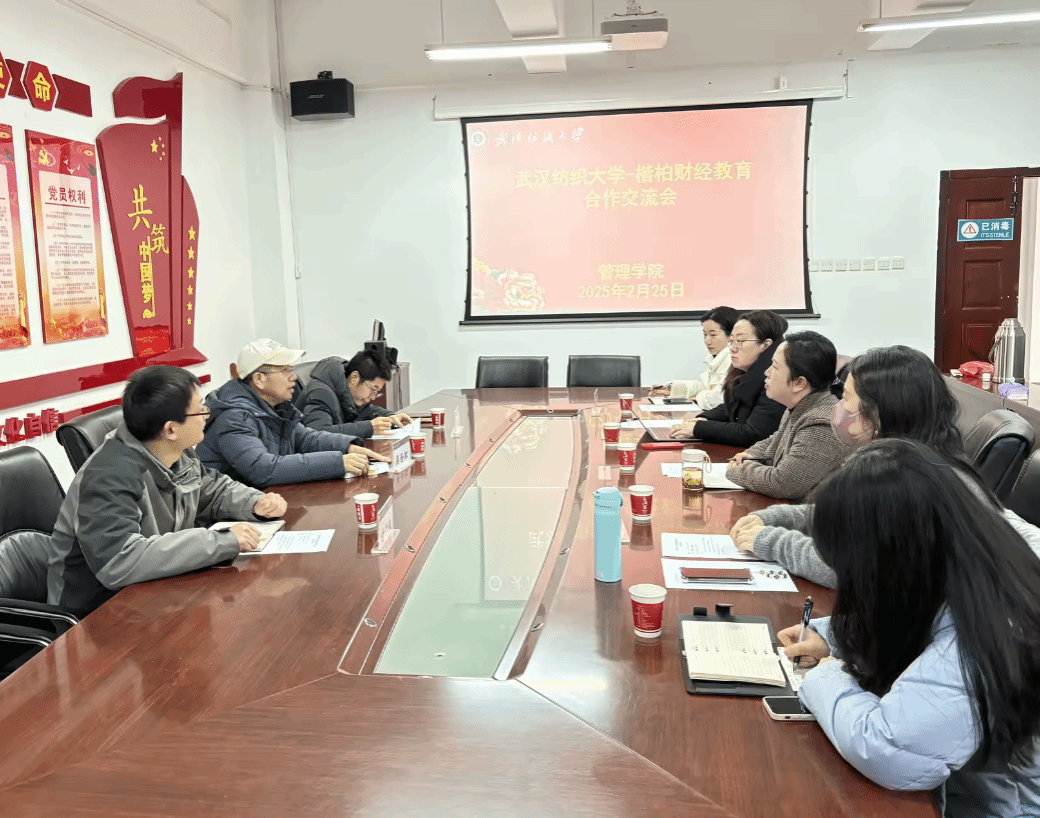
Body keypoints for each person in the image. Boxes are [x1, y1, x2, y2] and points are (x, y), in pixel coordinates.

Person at [777, 440, 1040, 816]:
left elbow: (887, 750)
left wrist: (826, 674)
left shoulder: (992, 628)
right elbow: (918, 616)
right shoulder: (971, 551)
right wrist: (835, 636)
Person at [730, 345, 1040, 584]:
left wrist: (772, 541)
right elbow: (843, 516)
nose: (838, 409)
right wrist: (776, 518)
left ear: (878, 413)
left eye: (846, 399)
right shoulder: (908, 456)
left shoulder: (910, 478)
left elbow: (854, 569)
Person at [45, 365, 287, 616]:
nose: (207, 414)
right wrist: (221, 541)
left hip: (156, 593)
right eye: (200, 409)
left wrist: (255, 502)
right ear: (171, 429)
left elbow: (209, 490)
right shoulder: (108, 475)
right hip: (97, 613)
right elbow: (118, 561)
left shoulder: (176, 451)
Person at [198, 339, 389, 488]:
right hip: (230, 515)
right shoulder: (233, 417)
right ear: (259, 379)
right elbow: (264, 469)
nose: (294, 376)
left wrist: (348, 447)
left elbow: (306, 438)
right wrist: (337, 462)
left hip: (265, 500)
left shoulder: (275, 406)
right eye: (285, 370)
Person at [726, 331, 850, 500]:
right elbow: (776, 440)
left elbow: (782, 484)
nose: (767, 372)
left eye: (775, 366)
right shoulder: (804, 403)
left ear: (799, 383)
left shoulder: (821, 422)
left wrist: (737, 469)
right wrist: (752, 454)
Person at [669, 310, 787, 447]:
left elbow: (753, 433)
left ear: (765, 345)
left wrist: (700, 429)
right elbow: (732, 406)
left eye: (740, 341)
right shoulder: (744, 371)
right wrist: (703, 419)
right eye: (731, 341)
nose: (732, 348)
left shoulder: (775, 379)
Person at [298, 350, 412, 438]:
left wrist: (390, 417)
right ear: (354, 378)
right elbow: (318, 433)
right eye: (373, 389)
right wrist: (368, 428)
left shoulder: (347, 387)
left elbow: (367, 410)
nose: (373, 397)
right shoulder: (320, 394)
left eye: (376, 392)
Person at [650, 306, 738, 410]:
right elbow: (705, 386)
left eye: (713, 335)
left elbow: (719, 397)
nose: (707, 341)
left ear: (731, 335)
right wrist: (671, 389)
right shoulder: (716, 357)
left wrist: (698, 398)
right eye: (705, 334)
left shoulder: (736, 359)